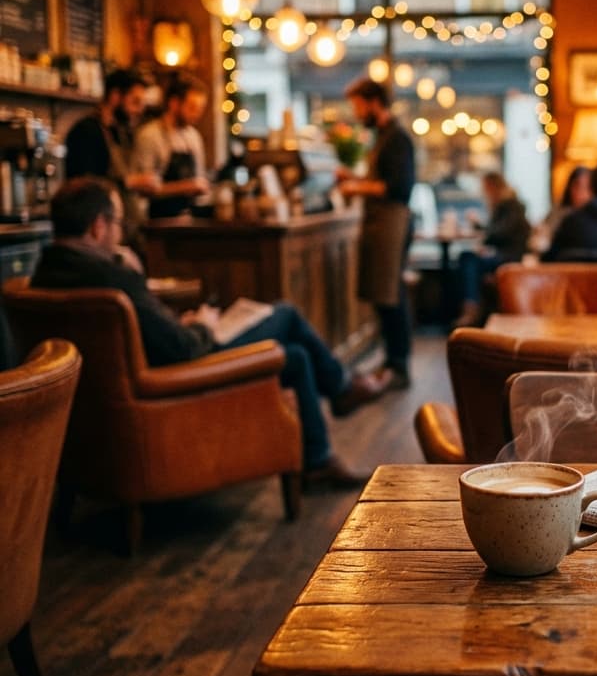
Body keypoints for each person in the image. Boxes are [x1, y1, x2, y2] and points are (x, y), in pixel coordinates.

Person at [32, 177, 389, 488]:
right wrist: (202, 324)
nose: (121, 234)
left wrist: (180, 324)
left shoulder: (41, 278)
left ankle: (318, 458)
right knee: (285, 315)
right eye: (118, 225)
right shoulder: (113, 280)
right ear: (97, 227)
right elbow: (183, 348)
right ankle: (341, 390)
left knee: (294, 357)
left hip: (117, 403)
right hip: (175, 376)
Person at [336, 77, 416, 390]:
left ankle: (399, 365)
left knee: (391, 294)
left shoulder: (397, 138)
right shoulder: (382, 136)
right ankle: (392, 360)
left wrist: (355, 185)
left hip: (392, 221)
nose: (356, 113)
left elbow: (398, 187)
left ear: (373, 103)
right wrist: (354, 176)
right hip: (380, 221)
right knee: (384, 295)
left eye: (357, 106)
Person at [64, 67, 161, 250]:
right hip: (97, 236)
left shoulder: (119, 133)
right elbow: (83, 186)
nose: (140, 110)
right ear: (115, 96)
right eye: (135, 102)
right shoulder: (87, 131)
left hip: (126, 230)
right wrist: (129, 182)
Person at [451, 171, 531, 328]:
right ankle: (472, 308)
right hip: (503, 255)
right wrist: (479, 227)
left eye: (485, 187)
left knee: (468, 259)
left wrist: (482, 233)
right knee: (467, 257)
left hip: (510, 258)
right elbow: (495, 232)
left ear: (494, 187)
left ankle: (471, 309)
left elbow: (499, 233)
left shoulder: (512, 206)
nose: (483, 192)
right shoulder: (505, 206)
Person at [130, 73, 212, 218]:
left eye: (200, 108)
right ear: (174, 103)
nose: (197, 114)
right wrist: (186, 186)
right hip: (156, 222)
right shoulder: (149, 135)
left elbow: (199, 179)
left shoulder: (193, 136)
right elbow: (143, 189)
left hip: (189, 218)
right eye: (192, 107)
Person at [529, 165, 592, 254]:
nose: (581, 192)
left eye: (587, 187)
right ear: (569, 187)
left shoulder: (595, 217)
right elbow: (541, 238)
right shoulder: (557, 212)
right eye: (577, 186)